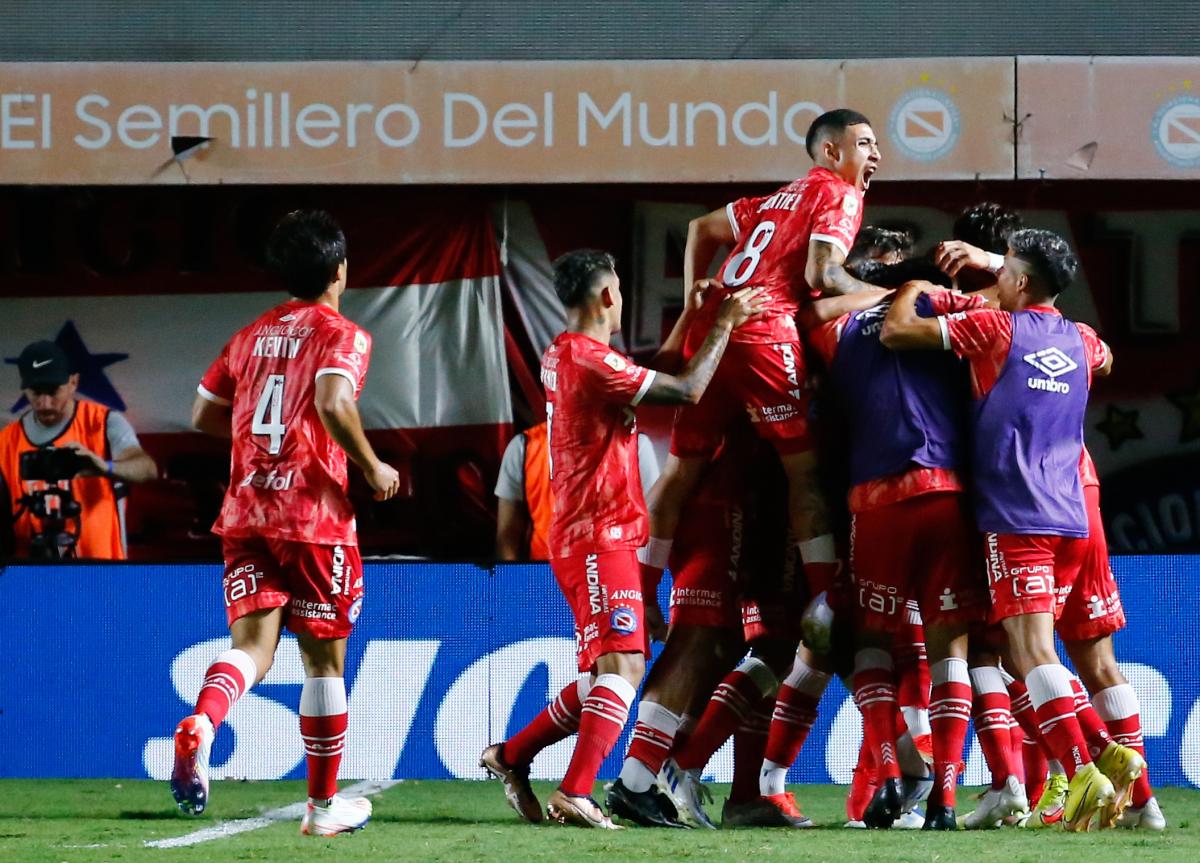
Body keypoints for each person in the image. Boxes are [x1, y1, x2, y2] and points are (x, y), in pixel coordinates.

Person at [479, 249, 764, 829]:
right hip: (594, 533)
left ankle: (511, 755)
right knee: (626, 667)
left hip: (597, 531)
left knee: (603, 671)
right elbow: (683, 391)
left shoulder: (569, 353)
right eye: (619, 292)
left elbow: (651, 375)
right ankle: (575, 791)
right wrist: (726, 324)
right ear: (607, 297)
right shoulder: (587, 360)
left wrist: (691, 317)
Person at [880, 228, 1143, 831]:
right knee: (1057, 653)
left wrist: (915, 287)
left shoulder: (996, 328)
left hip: (1016, 512)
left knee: (1028, 652)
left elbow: (899, 332)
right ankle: (1114, 764)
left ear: (1020, 281)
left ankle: (1085, 769)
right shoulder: (1084, 339)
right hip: (1073, 513)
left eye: (1004, 273)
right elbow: (1104, 357)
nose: (994, 281)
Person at [169, 209, 401, 837]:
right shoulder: (342, 334)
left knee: (251, 648)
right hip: (314, 517)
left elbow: (202, 414)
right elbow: (332, 401)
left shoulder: (247, 337)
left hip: (245, 511)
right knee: (323, 664)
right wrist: (373, 466)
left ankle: (203, 723)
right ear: (338, 271)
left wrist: (259, 446)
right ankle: (323, 809)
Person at [640, 109, 881, 659]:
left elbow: (701, 229)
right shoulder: (841, 195)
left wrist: (698, 302)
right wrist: (886, 295)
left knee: (679, 470)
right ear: (830, 153)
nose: (876, 156)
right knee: (805, 471)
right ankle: (827, 601)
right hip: (764, 334)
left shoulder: (774, 200)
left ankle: (642, 597)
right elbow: (824, 276)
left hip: (715, 326)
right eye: (865, 144)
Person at [0, 340, 156, 559]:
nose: (45, 403)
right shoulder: (6, 441)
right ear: (25, 389)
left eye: (53, 391)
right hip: (31, 577)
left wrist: (105, 467)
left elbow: (147, 470)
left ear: (73, 383)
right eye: (36, 392)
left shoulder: (103, 422)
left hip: (102, 572)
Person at [494, 421, 659, 561]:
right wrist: (512, 584)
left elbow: (653, 526)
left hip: (612, 575)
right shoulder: (524, 447)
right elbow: (508, 535)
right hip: (544, 576)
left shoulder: (634, 445)